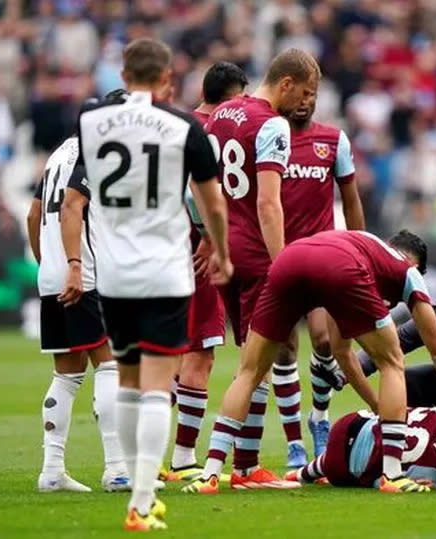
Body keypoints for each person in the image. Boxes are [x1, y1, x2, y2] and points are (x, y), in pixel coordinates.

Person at [61, 38, 231, 531]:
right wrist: (219, 250)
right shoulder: (185, 126)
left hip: (113, 273)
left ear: (122, 73)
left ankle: (133, 483)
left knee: (128, 379)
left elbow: (83, 189)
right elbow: (212, 204)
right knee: (158, 385)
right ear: (168, 79)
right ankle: (141, 498)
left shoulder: (91, 120)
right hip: (164, 269)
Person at [184, 229, 436, 495]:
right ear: (415, 266)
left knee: (249, 372)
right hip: (338, 265)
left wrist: (378, 406)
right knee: (392, 362)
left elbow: (342, 352)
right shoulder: (408, 273)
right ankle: (393, 474)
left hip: (290, 258)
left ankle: (210, 474)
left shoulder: (366, 248)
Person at [204, 48, 321, 490]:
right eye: (305, 93)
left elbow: (206, 188)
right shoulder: (273, 124)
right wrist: (284, 264)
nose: (305, 104)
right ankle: (243, 467)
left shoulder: (222, 113)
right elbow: (269, 204)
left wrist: (211, 240)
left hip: (227, 253)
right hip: (257, 256)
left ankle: (239, 465)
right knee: (257, 366)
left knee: (251, 362)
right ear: (286, 83)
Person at [26, 124, 129, 494]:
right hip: (82, 273)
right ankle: (118, 469)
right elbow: (72, 207)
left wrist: (49, 265)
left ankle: (52, 471)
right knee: (110, 364)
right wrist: (73, 265)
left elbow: (33, 215)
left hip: (54, 275)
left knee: (67, 376)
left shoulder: (57, 155)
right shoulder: (95, 152)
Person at [271, 73, 366, 469]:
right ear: (286, 91)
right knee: (285, 348)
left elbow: (351, 198)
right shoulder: (269, 141)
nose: (307, 101)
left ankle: (320, 417)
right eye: (302, 93)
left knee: (325, 341)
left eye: (314, 95)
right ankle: (294, 442)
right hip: (278, 256)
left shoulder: (334, 140)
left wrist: (362, 249)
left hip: (324, 257)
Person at [162, 61, 249, 483]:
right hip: (195, 251)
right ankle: (181, 457)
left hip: (159, 250)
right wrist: (209, 235)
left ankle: (142, 448)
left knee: (170, 354)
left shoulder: (173, 126)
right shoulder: (209, 132)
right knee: (200, 353)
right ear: (232, 98)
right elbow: (200, 191)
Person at [286, 407, 436, 490]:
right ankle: (305, 472)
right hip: (343, 463)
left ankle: (302, 473)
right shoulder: (433, 470)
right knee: (385, 475)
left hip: (355, 418)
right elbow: (386, 482)